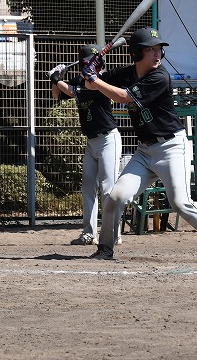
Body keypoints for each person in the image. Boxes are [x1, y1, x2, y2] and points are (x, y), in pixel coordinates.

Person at [81, 27, 197, 263]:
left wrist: (95, 78)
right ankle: (105, 249)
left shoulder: (160, 77)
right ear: (137, 53)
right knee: (116, 197)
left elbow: (123, 97)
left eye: (159, 49)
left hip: (171, 148)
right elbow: (90, 87)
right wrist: (92, 72)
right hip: (144, 152)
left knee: (181, 203)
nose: (157, 54)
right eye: (151, 49)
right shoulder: (125, 73)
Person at [49, 44, 122, 246]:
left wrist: (57, 80)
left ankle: (113, 233)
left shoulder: (101, 81)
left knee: (108, 189)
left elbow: (73, 92)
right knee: (88, 188)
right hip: (91, 142)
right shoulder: (79, 80)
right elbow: (57, 95)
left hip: (108, 140)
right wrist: (56, 77)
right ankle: (89, 233)